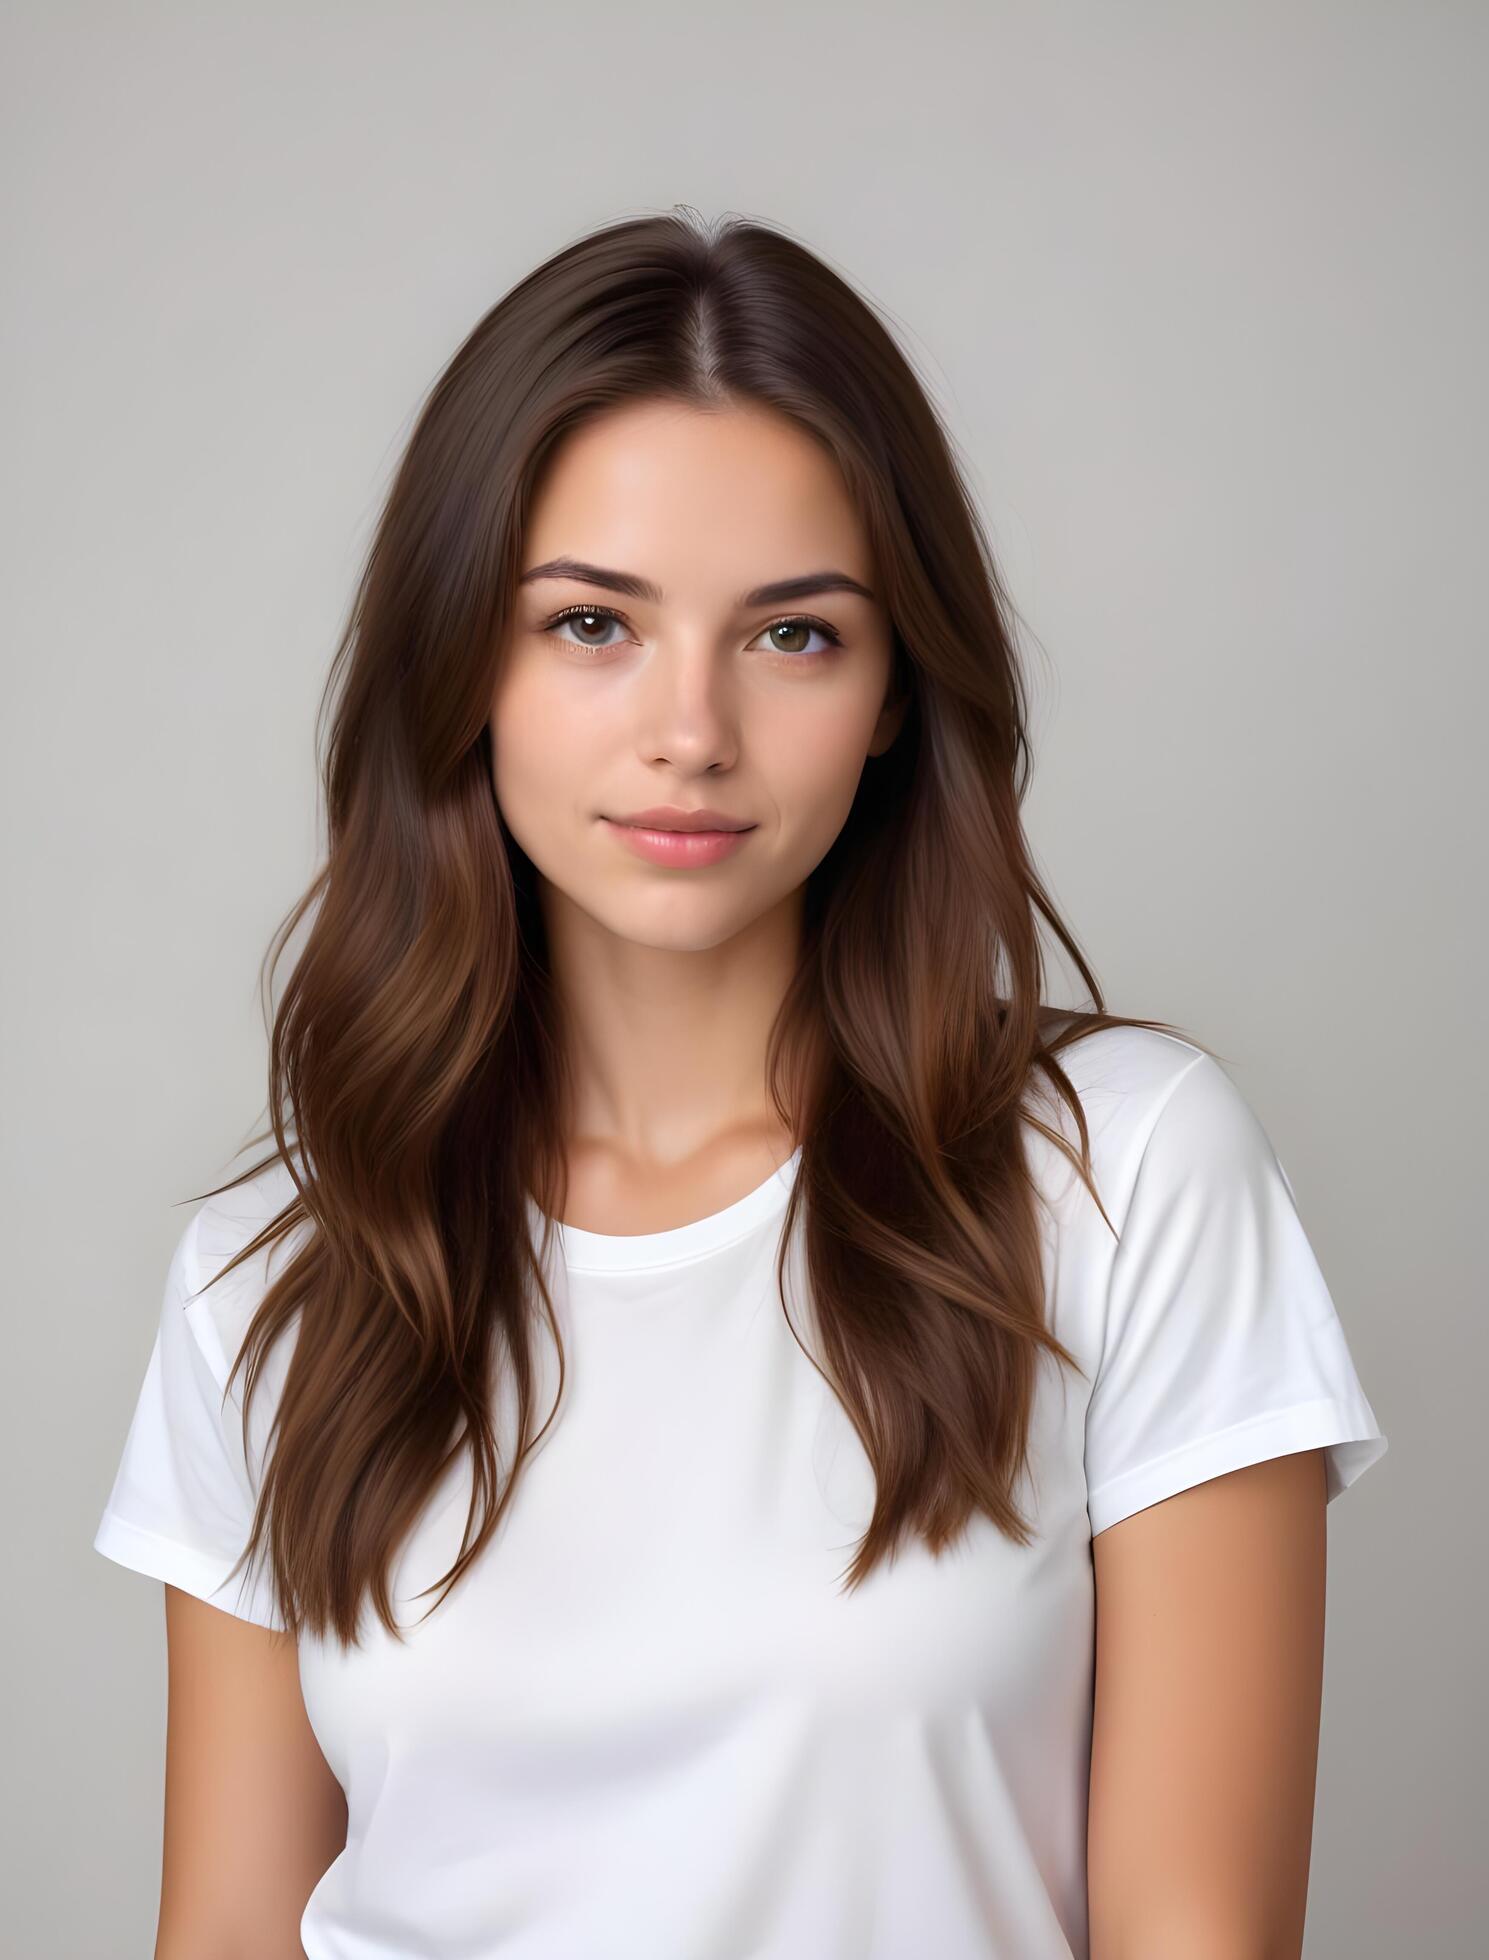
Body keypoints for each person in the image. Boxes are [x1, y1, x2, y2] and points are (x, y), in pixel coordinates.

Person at [93, 207, 1388, 1960]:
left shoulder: (1126, 1174)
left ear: (893, 697)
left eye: (793, 636)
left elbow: (1201, 1930)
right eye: (591, 625)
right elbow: (229, 1933)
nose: (689, 727)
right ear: (462, 658)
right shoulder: (280, 1277)